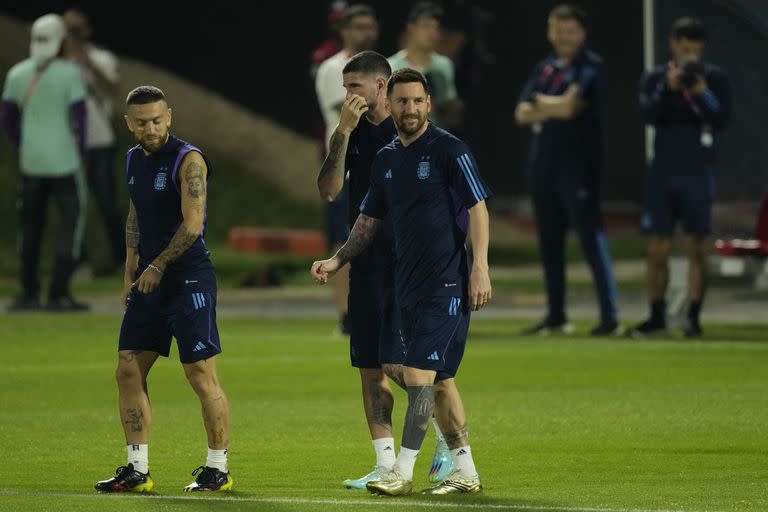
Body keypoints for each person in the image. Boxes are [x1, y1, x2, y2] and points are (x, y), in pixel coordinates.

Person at [312, 68, 491, 496]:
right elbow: (368, 220)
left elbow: (479, 207)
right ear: (389, 105)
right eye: (402, 102)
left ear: (428, 104)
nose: (409, 109)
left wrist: (480, 266)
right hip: (405, 285)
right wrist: (337, 261)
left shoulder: (450, 149)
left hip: (445, 283)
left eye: (417, 101)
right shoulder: (387, 159)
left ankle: (401, 471)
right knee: (440, 380)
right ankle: (465, 470)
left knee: (417, 376)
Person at [94, 86, 232, 493]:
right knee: (128, 368)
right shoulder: (133, 159)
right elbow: (137, 213)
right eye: (141, 122)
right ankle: (137, 469)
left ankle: (218, 469)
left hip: (188, 277)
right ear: (128, 124)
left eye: (157, 120)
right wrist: (130, 270)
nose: (150, 128)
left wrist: (157, 264)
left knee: (199, 374)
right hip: (149, 280)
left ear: (169, 116)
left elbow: (192, 224)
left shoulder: (188, 160)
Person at [514, 4, 620, 336]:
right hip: (543, 166)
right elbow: (520, 113)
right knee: (549, 243)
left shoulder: (592, 66)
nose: (564, 36)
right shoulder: (544, 67)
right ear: (549, 32)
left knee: (591, 240)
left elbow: (570, 107)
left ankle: (609, 317)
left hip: (579, 167)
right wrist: (553, 105)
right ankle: (557, 315)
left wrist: (543, 104)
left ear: (582, 33)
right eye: (558, 29)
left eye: (571, 30)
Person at [631, 17, 730, 338]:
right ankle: (657, 316)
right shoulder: (657, 77)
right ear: (674, 45)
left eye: (695, 49)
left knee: (697, 247)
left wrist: (701, 92)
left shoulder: (713, 77)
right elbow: (647, 113)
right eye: (684, 48)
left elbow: (721, 118)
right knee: (657, 247)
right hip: (662, 173)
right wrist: (666, 88)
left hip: (698, 174)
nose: (690, 55)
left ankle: (693, 318)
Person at [0, 13, 89, 312]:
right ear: (61, 41)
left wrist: (22, 146)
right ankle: (59, 293)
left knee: (30, 228)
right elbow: (80, 118)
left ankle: (28, 293)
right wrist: (81, 153)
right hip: (65, 162)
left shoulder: (17, 74)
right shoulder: (70, 74)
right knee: (70, 224)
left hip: (31, 164)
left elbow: (8, 119)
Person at [315, 4, 379, 335]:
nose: (365, 32)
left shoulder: (385, 67)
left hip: (378, 170)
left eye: (369, 26)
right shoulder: (331, 68)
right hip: (345, 170)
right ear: (344, 31)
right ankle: (345, 314)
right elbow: (351, 109)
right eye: (358, 27)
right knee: (343, 243)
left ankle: (376, 306)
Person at [62, 8, 125, 272]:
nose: (72, 34)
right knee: (73, 204)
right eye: (67, 29)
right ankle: (80, 262)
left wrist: (88, 63)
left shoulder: (103, 58)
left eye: (76, 29)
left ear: (87, 30)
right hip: (67, 142)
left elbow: (113, 91)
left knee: (107, 201)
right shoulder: (56, 66)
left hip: (100, 140)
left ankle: (123, 259)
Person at [388, 2, 463, 131]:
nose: (432, 33)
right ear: (411, 28)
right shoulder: (391, 66)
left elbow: (452, 116)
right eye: (426, 26)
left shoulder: (444, 65)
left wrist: (450, 106)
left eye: (435, 28)